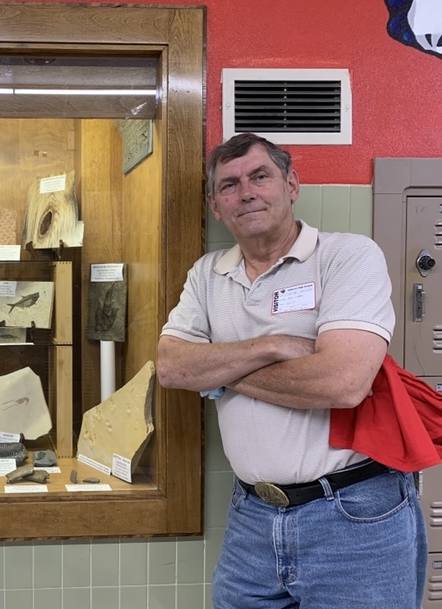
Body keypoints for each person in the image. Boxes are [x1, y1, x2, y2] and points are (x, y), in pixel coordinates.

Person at [156, 133, 427, 609]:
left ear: (291, 185)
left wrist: (219, 370)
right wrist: (275, 345)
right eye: (229, 185)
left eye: (260, 176)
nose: (247, 192)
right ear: (216, 206)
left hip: (354, 516)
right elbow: (172, 369)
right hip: (252, 520)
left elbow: (342, 383)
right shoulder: (207, 274)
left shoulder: (346, 256)